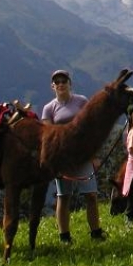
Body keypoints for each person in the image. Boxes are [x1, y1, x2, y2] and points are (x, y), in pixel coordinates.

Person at [41, 70, 106, 243]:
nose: (61, 84)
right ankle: (64, 236)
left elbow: (92, 129)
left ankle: (96, 232)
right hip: (63, 161)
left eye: (64, 81)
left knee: (91, 195)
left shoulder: (82, 101)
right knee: (63, 196)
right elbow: (48, 137)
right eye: (57, 82)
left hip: (83, 157)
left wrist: (94, 156)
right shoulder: (49, 109)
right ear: (52, 86)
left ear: (70, 84)